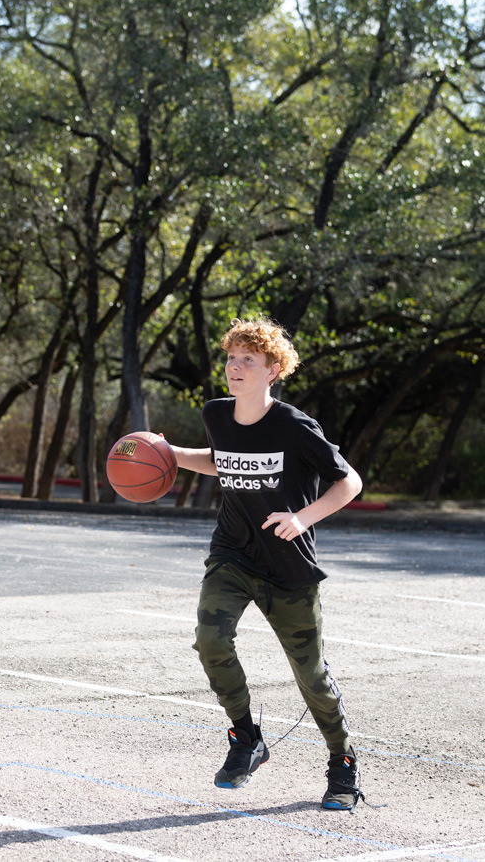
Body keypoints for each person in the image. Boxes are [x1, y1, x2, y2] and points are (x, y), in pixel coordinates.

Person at [169, 316, 365, 811]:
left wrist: (303, 517)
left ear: (272, 369)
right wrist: (168, 453)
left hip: (289, 568)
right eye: (231, 358)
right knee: (210, 639)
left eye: (248, 361)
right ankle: (245, 737)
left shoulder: (294, 426)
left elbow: (350, 483)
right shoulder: (217, 414)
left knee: (311, 677)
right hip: (232, 554)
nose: (235, 368)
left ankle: (342, 763)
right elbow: (221, 458)